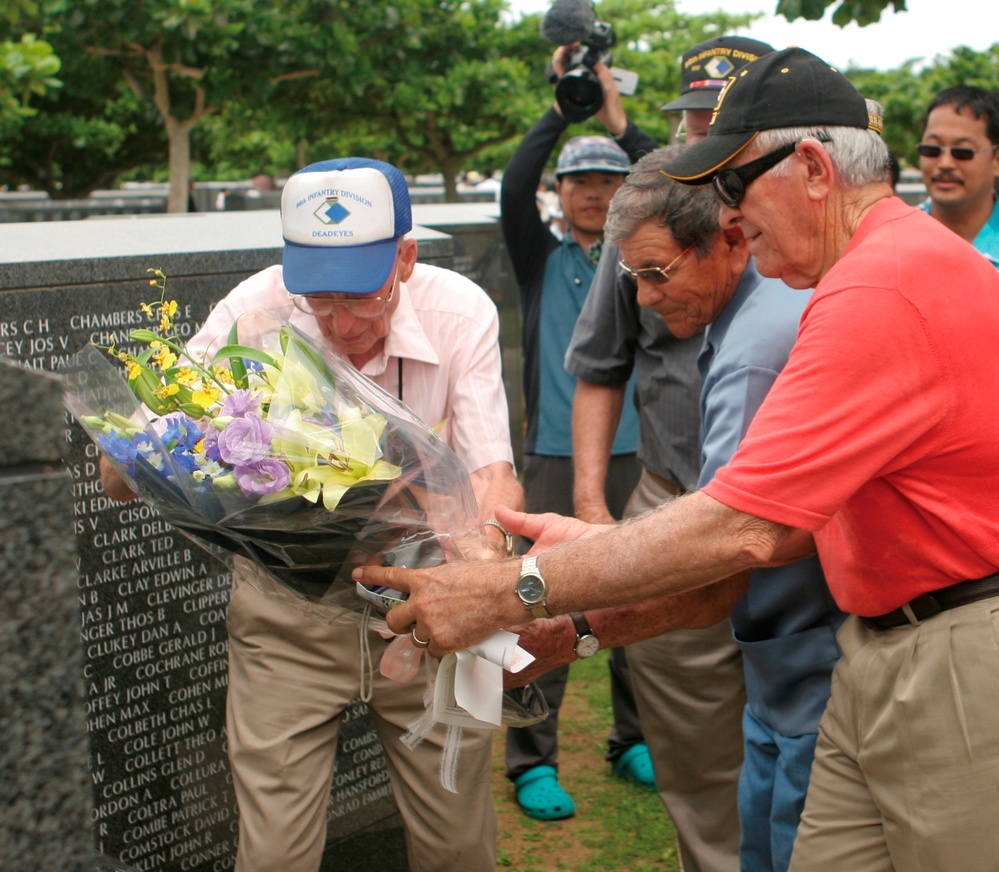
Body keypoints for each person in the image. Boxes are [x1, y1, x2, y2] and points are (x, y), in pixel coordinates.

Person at [356, 47, 999, 872]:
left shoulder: (875, 290)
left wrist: (510, 592)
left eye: (730, 185)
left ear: (809, 167)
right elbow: (792, 521)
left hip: (950, 651)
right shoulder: (868, 272)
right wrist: (588, 569)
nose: (722, 213)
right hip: (885, 642)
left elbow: (742, 532)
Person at [103, 157, 524, 872]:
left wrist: (480, 577)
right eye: (317, 297)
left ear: (405, 257)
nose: (338, 322)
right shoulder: (255, 305)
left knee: (456, 842)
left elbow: (491, 471)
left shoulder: (460, 311)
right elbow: (128, 462)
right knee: (273, 852)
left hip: (424, 606)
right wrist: (141, 455)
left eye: (359, 296)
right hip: (286, 622)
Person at [602, 144, 846, 872]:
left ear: (730, 240)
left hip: (803, 665)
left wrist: (562, 608)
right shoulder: (755, 313)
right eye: (632, 276)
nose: (644, 298)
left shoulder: (752, 350)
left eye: (655, 272)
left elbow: (725, 546)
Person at [567, 35, 773, 872]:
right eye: (694, 123)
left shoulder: (805, 243)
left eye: (723, 126)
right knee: (693, 747)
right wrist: (592, 513)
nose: (705, 146)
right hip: (674, 498)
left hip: (794, 524)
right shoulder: (643, 227)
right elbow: (598, 370)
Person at [498, 45, 655, 820]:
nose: (595, 195)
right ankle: (531, 759)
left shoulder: (641, 259)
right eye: (580, 182)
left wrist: (619, 124)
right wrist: (562, 110)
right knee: (542, 605)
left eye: (608, 182)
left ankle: (633, 738)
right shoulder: (538, 258)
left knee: (648, 597)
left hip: (637, 453)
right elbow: (512, 185)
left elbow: (670, 173)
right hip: (551, 459)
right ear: (560, 195)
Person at [918, 84, 999, 265]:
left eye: (962, 152)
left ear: (997, 160)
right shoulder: (891, 239)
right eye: (932, 150)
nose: (945, 164)